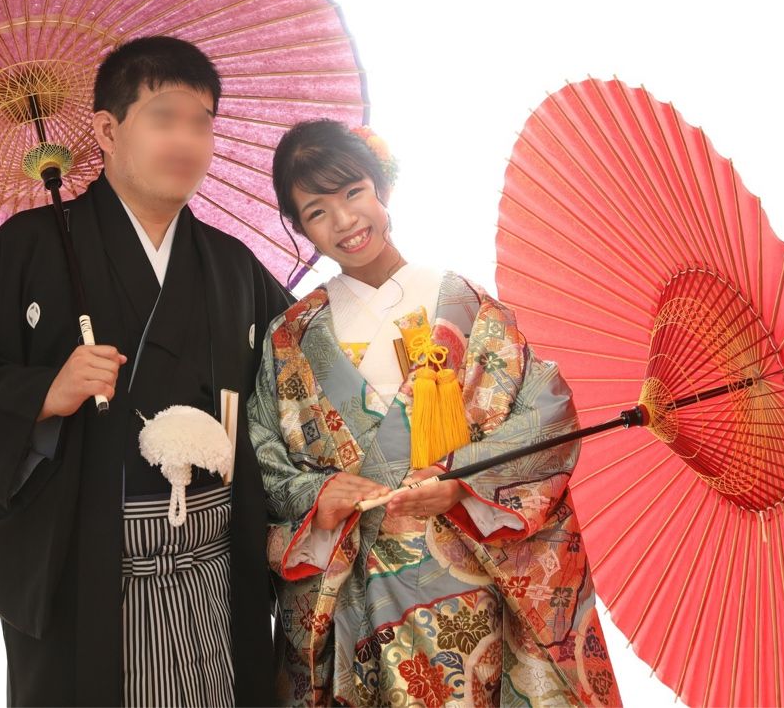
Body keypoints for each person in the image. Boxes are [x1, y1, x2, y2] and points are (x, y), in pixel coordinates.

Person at [0, 36, 293, 706]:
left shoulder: (231, 264)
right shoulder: (29, 248)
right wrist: (42, 393)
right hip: (90, 571)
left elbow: (300, 373)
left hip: (217, 571)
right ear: (107, 130)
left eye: (202, 122)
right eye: (164, 117)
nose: (187, 140)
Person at [248, 120, 621, 706]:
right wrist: (318, 495)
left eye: (353, 192)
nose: (344, 220)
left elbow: (546, 413)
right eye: (317, 211)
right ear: (298, 227)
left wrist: (461, 480)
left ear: (381, 187)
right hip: (353, 593)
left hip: (463, 587)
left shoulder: (462, 303)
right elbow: (263, 453)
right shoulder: (290, 336)